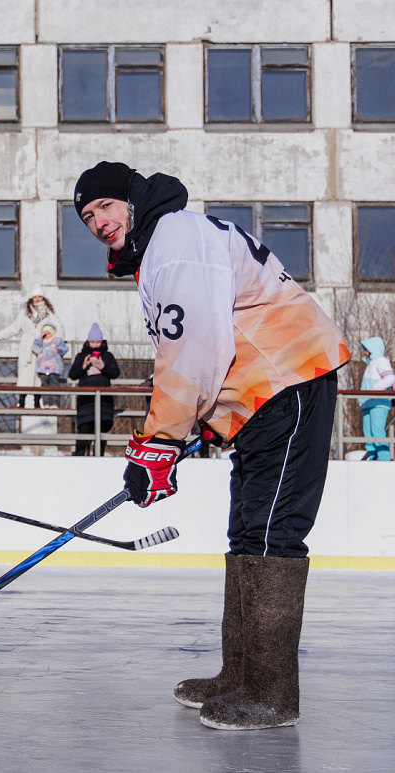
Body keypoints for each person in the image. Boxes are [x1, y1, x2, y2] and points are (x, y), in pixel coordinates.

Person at [74, 161, 350, 731]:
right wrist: (187, 431)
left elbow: (193, 350)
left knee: (274, 530)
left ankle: (271, 694)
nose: (97, 223)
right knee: (248, 528)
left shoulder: (174, 240)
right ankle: (242, 676)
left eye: (103, 207)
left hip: (288, 377)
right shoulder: (163, 247)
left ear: (130, 200)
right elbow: (201, 349)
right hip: (258, 392)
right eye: (86, 217)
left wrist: (159, 443)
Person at [0, 284, 64, 408]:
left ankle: (37, 401)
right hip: (27, 346)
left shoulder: (49, 313)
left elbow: (58, 327)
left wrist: (57, 342)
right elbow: (15, 327)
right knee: (25, 374)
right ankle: (22, 400)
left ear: (43, 298)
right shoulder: (25, 312)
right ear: (31, 298)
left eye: (39, 297)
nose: (37, 299)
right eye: (35, 297)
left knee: (39, 375)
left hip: (42, 348)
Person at [68, 323, 121, 456]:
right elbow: (73, 375)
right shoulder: (81, 356)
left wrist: (103, 366)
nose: (95, 345)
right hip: (86, 401)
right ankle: (79, 456)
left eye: (98, 342)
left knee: (101, 430)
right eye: (93, 342)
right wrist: (84, 366)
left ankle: (98, 456)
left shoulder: (108, 356)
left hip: (104, 401)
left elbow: (115, 373)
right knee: (84, 428)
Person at [358, 336, 394, 460]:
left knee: (377, 433)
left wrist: (374, 389)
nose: (364, 351)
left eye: (366, 348)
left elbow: (390, 378)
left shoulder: (381, 360)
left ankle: (384, 459)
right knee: (368, 434)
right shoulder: (370, 363)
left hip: (379, 403)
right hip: (368, 403)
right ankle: (372, 458)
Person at [30, 323, 68, 409]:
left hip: (54, 369)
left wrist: (58, 342)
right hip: (43, 369)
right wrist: (40, 338)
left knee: (54, 385)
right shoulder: (41, 344)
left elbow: (64, 349)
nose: (47, 335)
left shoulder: (55, 342)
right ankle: (46, 403)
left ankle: (55, 403)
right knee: (45, 386)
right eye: (45, 333)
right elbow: (34, 348)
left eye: (48, 333)